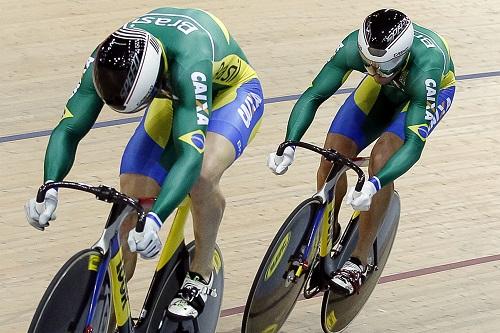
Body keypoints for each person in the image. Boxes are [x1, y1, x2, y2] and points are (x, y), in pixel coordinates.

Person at [24, 7, 264, 320]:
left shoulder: (190, 61)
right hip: (171, 92)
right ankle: (111, 305)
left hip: (230, 92)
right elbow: (69, 128)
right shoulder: (106, 58)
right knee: (132, 192)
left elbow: (190, 155)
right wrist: (49, 185)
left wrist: (156, 219)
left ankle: (200, 274)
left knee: (201, 175)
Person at [268, 8, 455, 296]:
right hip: (385, 91)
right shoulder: (357, 50)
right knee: (332, 153)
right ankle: (327, 229)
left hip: (423, 96)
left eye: (382, 66)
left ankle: (359, 259)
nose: (375, 71)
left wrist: (374, 184)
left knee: (381, 160)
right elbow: (313, 94)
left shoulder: (427, 66)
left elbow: (415, 145)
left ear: (401, 55)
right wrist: (289, 142)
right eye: (369, 64)